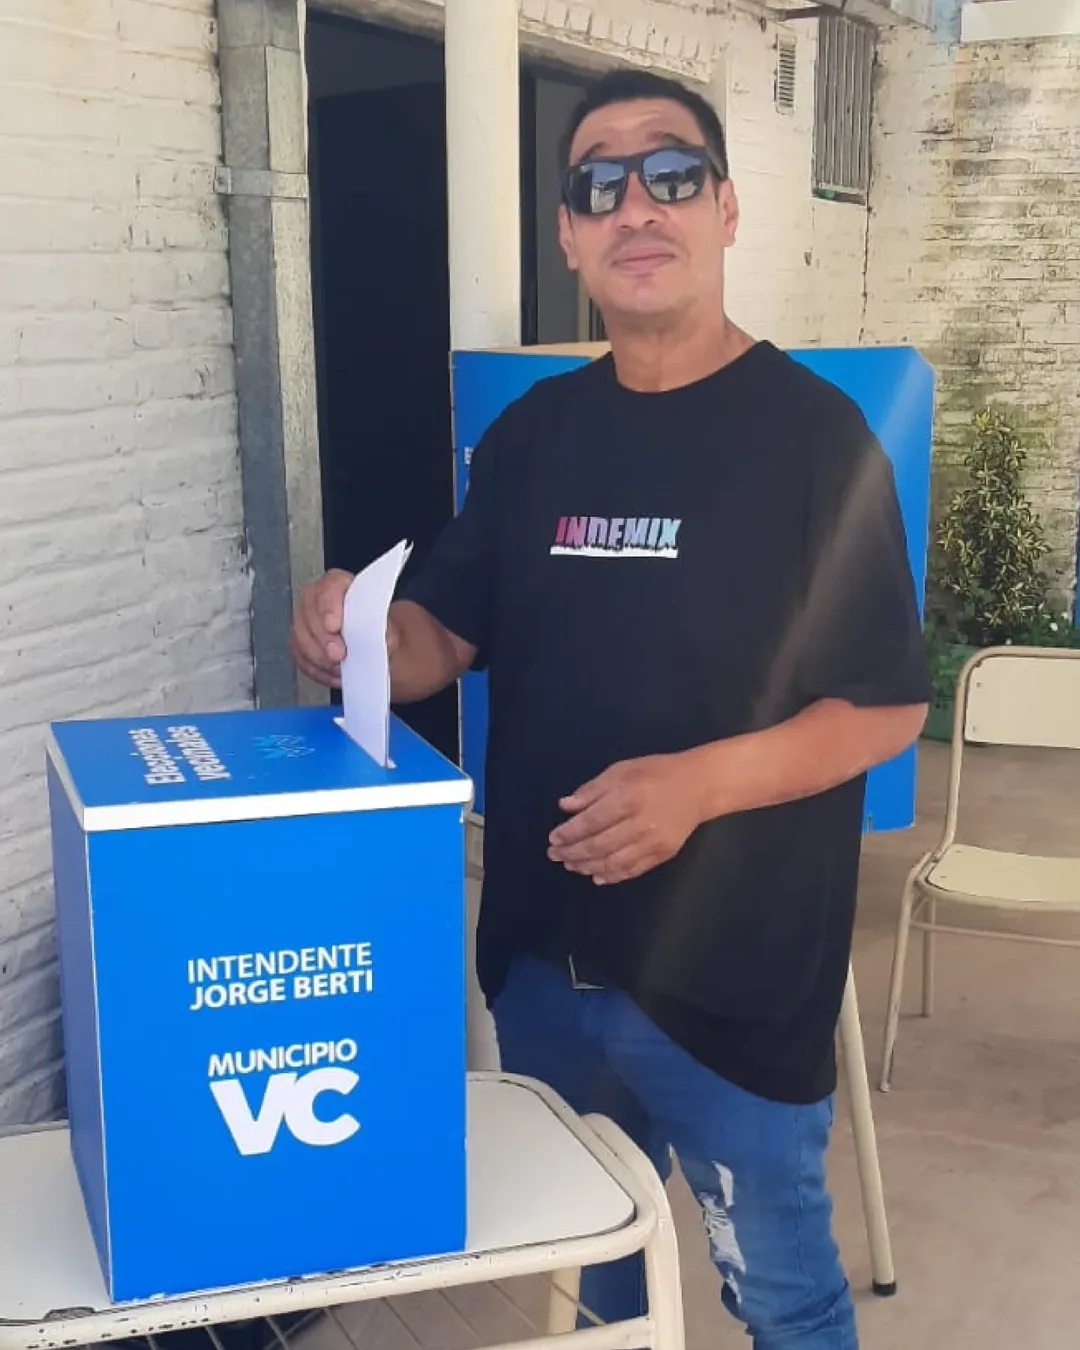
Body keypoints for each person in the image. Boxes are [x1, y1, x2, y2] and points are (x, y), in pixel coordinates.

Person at [293, 68, 930, 1350]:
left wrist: (696, 785)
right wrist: (352, 631)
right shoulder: (533, 439)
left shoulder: (818, 441)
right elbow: (442, 636)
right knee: (603, 1286)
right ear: (571, 237)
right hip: (547, 965)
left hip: (738, 979)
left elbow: (882, 707)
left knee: (782, 1293)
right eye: (599, 185)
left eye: (671, 173)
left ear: (726, 210)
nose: (636, 204)